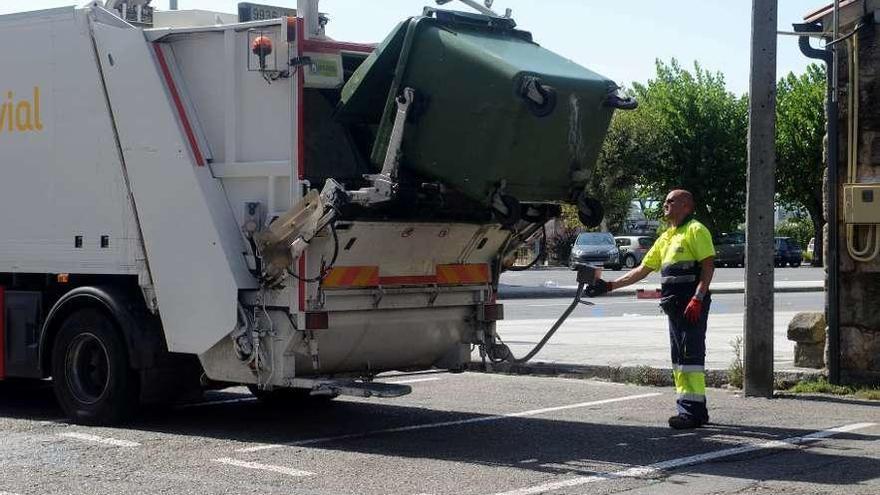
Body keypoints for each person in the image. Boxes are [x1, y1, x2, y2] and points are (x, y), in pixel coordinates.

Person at [591, 189, 716, 429]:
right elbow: (642, 270)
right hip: (675, 306)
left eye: (671, 201)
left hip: (691, 305)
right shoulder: (666, 237)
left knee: (691, 356)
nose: (665, 204)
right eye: (665, 201)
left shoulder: (695, 230)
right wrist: (609, 285)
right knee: (680, 359)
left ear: (687, 206)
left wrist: (698, 298)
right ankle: (693, 409)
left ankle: (691, 412)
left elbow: (708, 267)